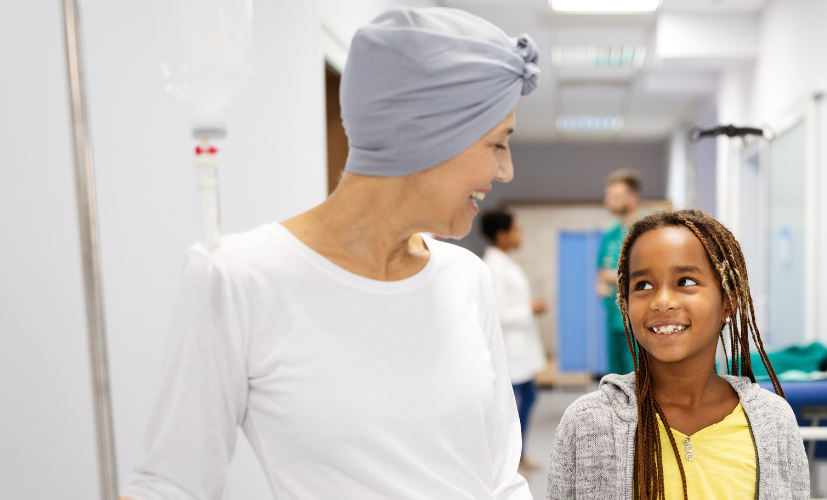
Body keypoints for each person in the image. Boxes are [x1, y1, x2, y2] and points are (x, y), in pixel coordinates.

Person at [121, 7, 540, 500]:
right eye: (497, 144)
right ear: (425, 134)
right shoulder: (237, 278)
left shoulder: (465, 277)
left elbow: (500, 479)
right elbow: (172, 483)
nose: (506, 170)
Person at [549, 210, 810, 500]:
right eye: (643, 285)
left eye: (685, 281)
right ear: (625, 303)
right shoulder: (589, 422)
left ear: (728, 301)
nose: (662, 301)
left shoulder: (773, 421)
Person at [481, 209, 549, 474]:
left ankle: (519, 456)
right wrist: (529, 308)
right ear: (502, 234)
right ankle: (509, 461)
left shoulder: (505, 262)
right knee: (512, 406)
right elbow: (498, 312)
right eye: (516, 229)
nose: (520, 235)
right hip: (508, 348)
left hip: (520, 348)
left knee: (528, 398)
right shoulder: (493, 267)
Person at [596, 169, 644, 375]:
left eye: (615, 197)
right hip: (613, 317)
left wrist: (614, 278)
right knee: (616, 378)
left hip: (637, 319)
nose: (609, 201)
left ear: (632, 198)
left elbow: (650, 276)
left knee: (636, 375)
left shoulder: (644, 231)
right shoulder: (610, 233)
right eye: (609, 196)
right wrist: (602, 280)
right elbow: (600, 270)